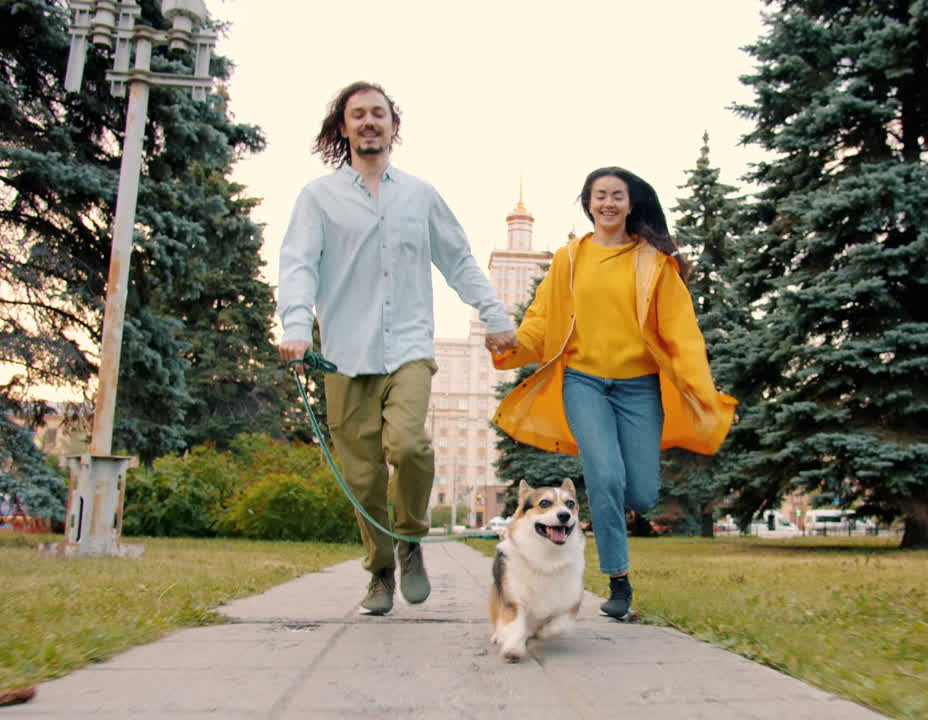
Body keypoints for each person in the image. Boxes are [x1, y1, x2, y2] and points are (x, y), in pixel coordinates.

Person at [277, 81, 517, 615]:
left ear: (393, 126)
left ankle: (410, 538)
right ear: (344, 127)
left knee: (409, 447)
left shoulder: (420, 195)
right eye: (357, 114)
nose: (369, 121)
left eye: (378, 113)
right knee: (362, 477)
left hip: (408, 346)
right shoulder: (317, 197)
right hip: (343, 353)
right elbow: (298, 265)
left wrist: (496, 316)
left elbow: (459, 260)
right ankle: (380, 570)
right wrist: (295, 327)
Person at [490, 166, 737, 619]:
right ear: (588, 203)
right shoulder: (568, 260)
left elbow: (682, 334)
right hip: (583, 382)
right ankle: (618, 582)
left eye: (617, 196)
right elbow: (541, 324)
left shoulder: (653, 263)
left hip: (639, 387)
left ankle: (620, 511)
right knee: (603, 475)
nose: (608, 203)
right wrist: (509, 346)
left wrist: (701, 392)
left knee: (640, 494)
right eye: (600, 195)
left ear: (630, 204)